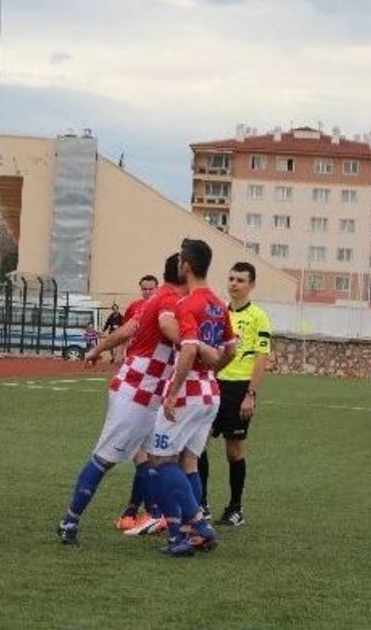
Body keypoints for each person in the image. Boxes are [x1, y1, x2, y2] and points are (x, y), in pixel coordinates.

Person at [57, 255, 187, 546]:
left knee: (160, 458)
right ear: (185, 271)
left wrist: (96, 350)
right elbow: (167, 328)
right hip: (137, 393)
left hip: (148, 392)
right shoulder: (167, 300)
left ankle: (168, 522)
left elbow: (125, 331)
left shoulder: (158, 299)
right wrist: (197, 344)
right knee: (105, 459)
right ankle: (69, 520)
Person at [149, 238, 236, 557]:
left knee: (160, 460)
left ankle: (197, 526)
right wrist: (213, 366)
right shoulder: (216, 303)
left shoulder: (188, 304)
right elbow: (231, 348)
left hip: (187, 391)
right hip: (210, 390)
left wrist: (172, 394)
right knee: (188, 460)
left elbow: (187, 349)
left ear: (186, 265)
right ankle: (186, 533)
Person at [198, 261, 272, 526]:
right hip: (214, 383)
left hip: (239, 387)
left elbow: (262, 358)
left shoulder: (259, 316)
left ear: (251, 285)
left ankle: (235, 508)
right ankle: (201, 503)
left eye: (240, 280)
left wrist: (250, 394)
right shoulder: (218, 312)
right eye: (231, 279)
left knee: (234, 451)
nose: (234, 284)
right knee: (198, 444)